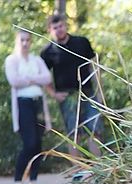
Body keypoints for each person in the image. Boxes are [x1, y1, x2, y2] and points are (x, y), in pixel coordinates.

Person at [40, 14, 103, 156]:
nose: (59, 30)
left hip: (88, 92)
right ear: (50, 30)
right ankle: (78, 173)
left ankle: (100, 169)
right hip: (67, 96)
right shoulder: (47, 52)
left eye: (61, 26)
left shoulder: (82, 42)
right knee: (73, 133)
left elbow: (94, 66)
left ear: (66, 25)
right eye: (55, 28)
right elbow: (43, 76)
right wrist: (53, 94)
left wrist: (99, 91)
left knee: (95, 129)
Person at [5, 29, 52, 183]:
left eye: (27, 40)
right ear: (17, 41)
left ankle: (34, 179)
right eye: (22, 40)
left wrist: (28, 78)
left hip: (37, 103)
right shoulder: (11, 60)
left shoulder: (36, 60)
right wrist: (35, 80)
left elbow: (47, 78)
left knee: (38, 144)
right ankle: (18, 179)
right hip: (23, 104)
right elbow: (14, 81)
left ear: (31, 42)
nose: (25, 43)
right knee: (29, 142)